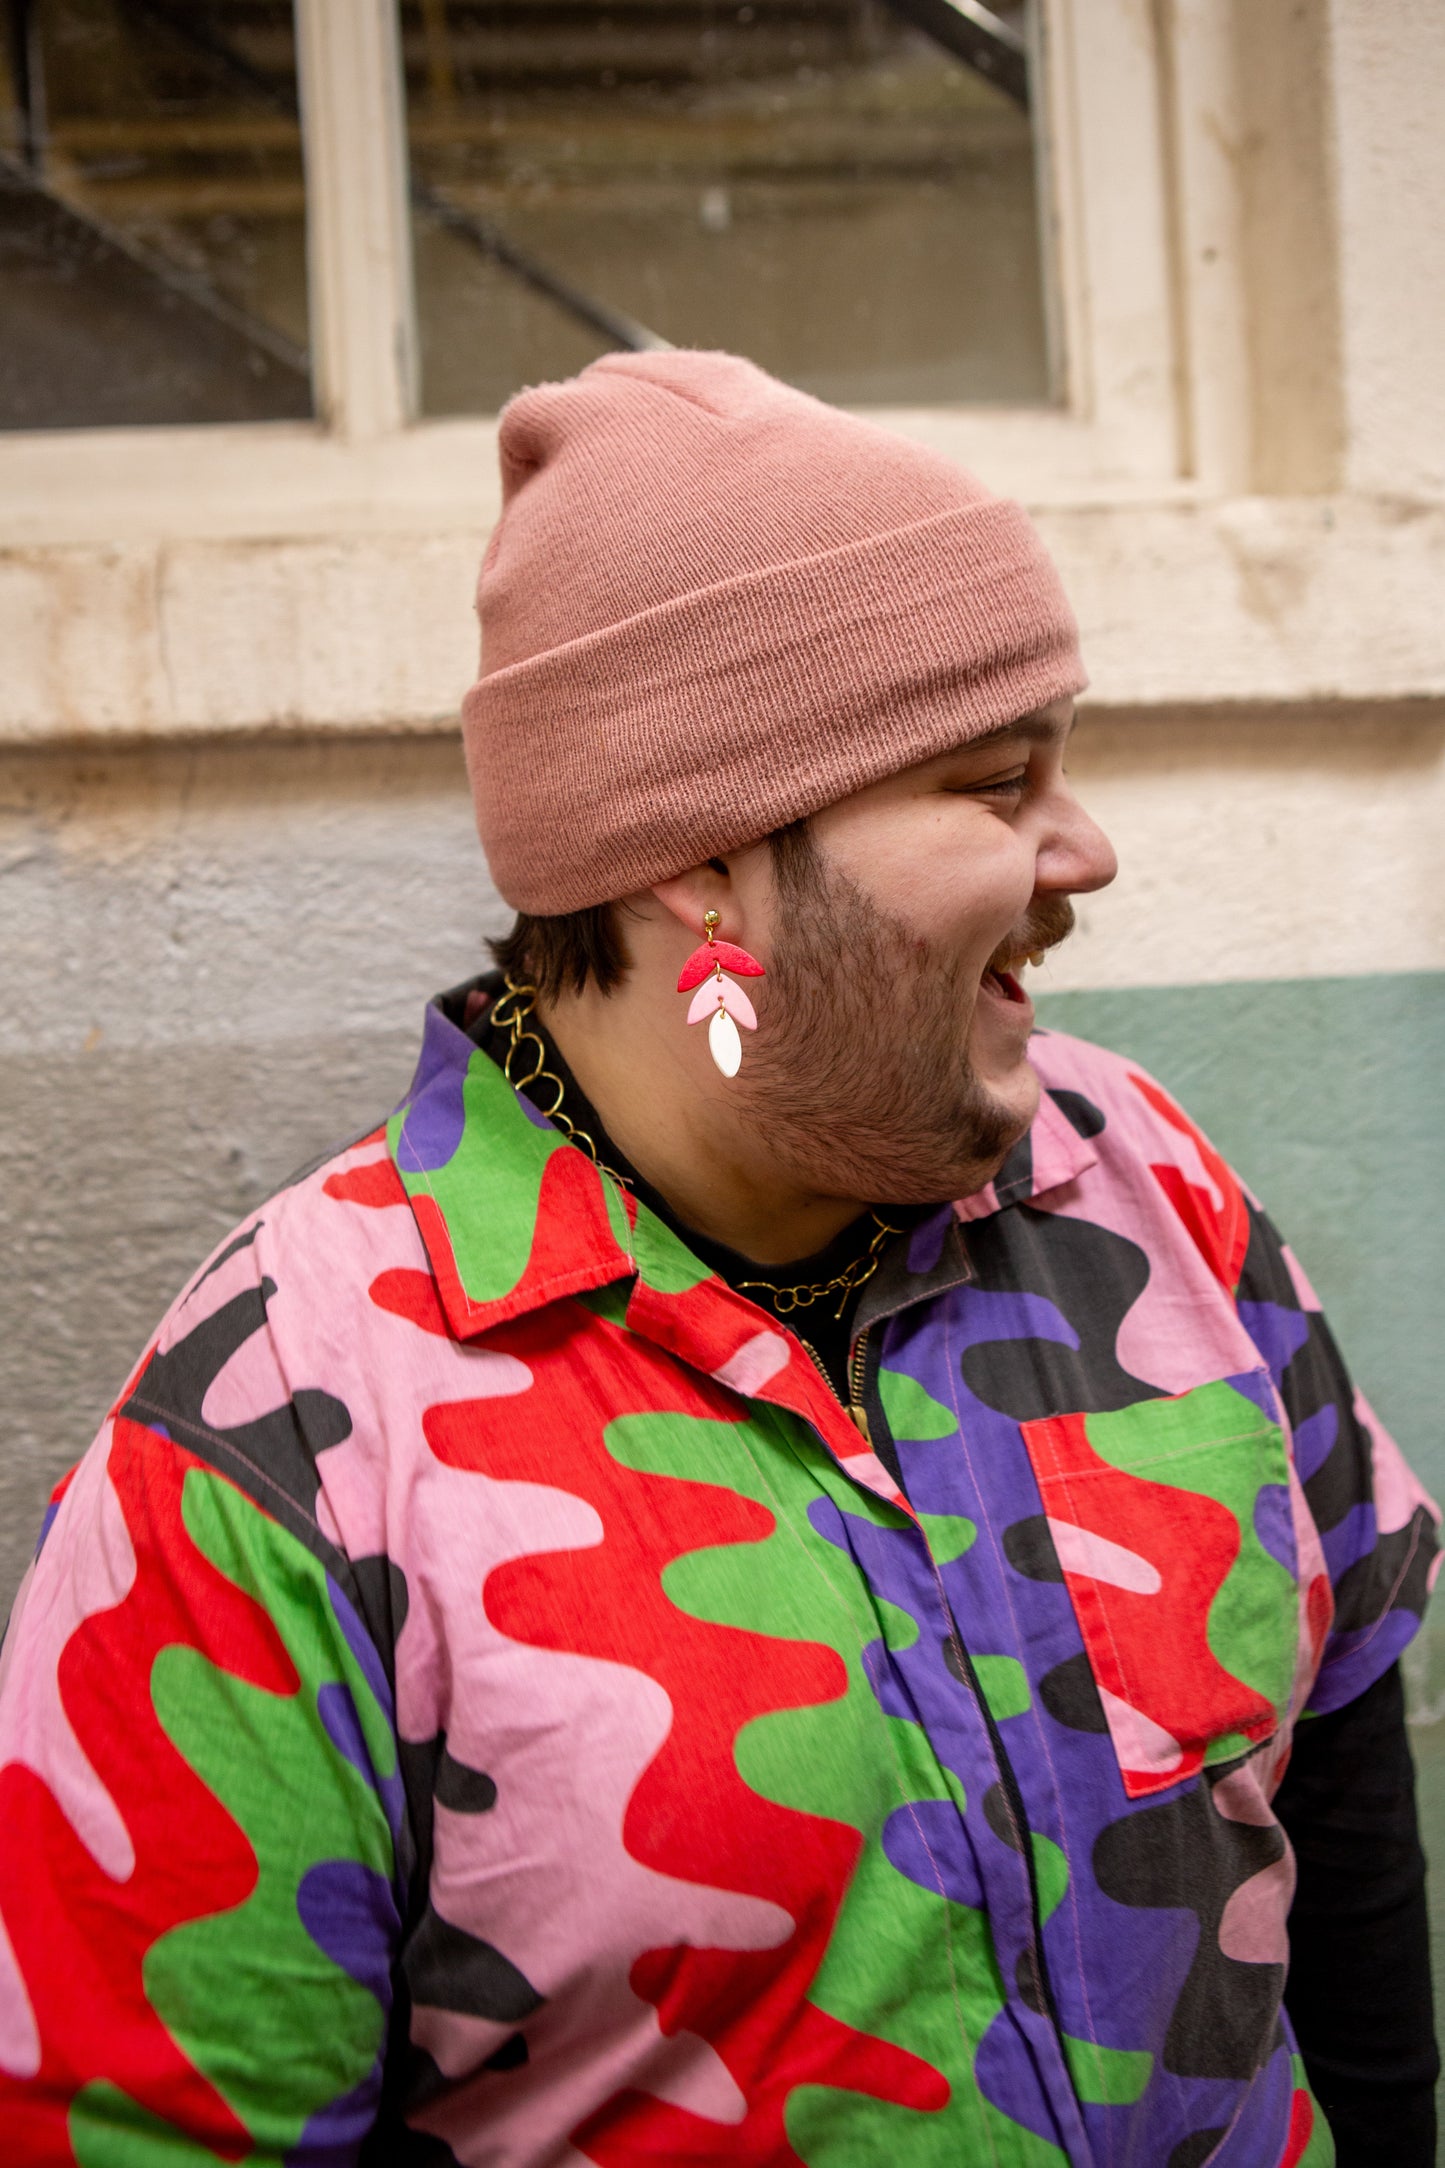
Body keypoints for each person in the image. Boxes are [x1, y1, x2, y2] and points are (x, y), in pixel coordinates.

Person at [0, 351, 1436, 2168]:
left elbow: (1342, 1777)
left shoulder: (1137, 1185)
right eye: (993, 784)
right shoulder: (280, 1446)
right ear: (704, 870)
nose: (1083, 851)